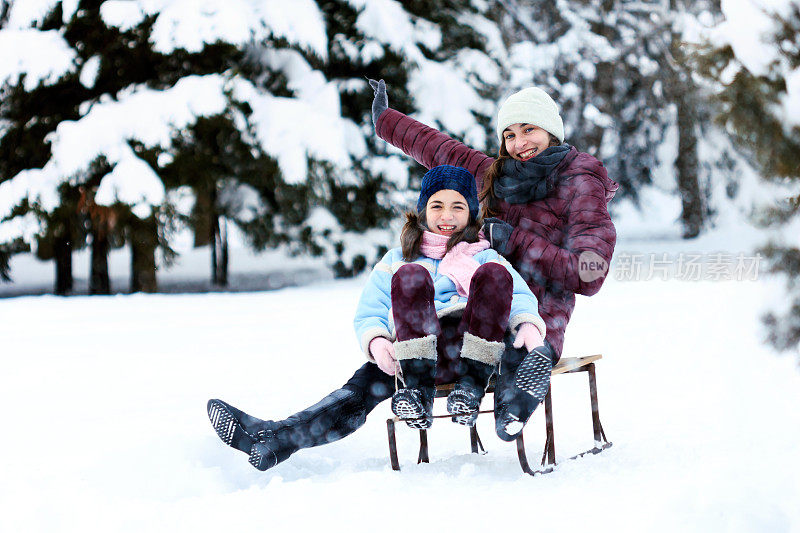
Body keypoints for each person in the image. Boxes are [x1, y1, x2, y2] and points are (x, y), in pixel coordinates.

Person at [208, 165, 550, 470]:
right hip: (414, 356)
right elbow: (370, 312)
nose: (447, 215)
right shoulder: (397, 259)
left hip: (475, 354)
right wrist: (377, 343)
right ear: (423, 212)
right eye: (437, 205)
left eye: (458, 206)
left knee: (493, 275)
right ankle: (275, 439)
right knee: (357, 390)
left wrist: (531, 330)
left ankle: (488, 400)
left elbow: (519, 298)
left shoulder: (485, 256)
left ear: (471, 214)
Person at [367, 78, 618, 433]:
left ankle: (512, 412)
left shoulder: (580, 182)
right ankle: (286, 435)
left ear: (551, 130)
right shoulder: (498, 177)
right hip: (481, 306)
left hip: (540, 315)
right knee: (388, 366)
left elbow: (590, 273)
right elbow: (440, 150)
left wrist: (513, 240)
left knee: (523, 352)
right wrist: (385, 121)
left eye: (529, 129)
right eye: (510, 135)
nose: (519, 143)